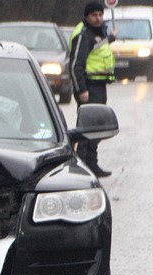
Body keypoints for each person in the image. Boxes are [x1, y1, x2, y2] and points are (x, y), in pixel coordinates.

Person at [69, 1, 117, 178]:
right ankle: (83, 166)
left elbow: (96, 47)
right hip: (88, 87)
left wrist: (110, 39)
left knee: (97, 127)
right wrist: (81, 89)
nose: (98, 18)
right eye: (94, 15)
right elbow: (76, 65)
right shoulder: (82, 34)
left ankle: (92, 164)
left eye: (100, 15)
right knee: (87, 128)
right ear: (87, 16)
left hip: (98, 85)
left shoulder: (96, 32)